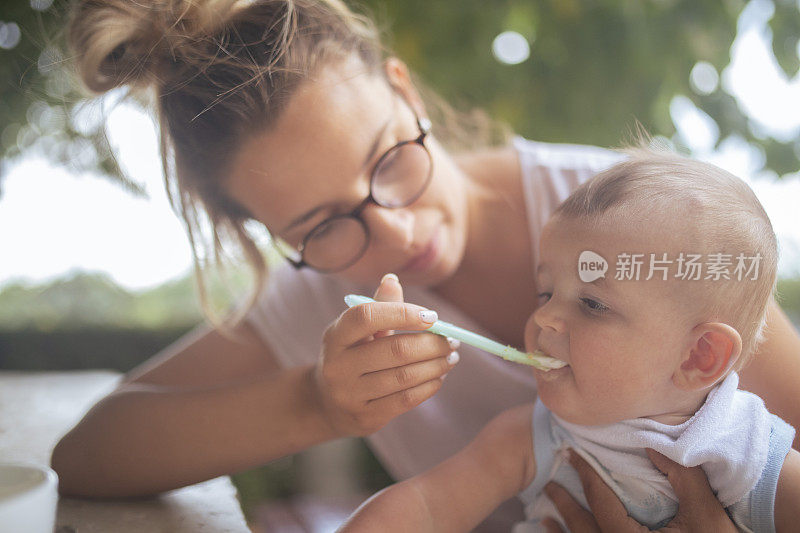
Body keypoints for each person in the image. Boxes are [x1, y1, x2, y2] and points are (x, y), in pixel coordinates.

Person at [52, 0, 800, 529]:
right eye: (323, 226)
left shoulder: (634, 221)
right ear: (274, 236)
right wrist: (318, 402)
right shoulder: (319, 299)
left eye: (388, 159)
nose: (398, 231)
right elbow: (87, 454)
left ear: (405, 91)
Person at [338, 147, 800, 532]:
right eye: (545, 292)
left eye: (593, 304)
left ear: (700, 356)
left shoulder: (747, 452)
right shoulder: (534, 435)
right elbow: (425, 507)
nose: (544, 318)